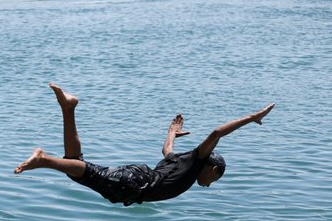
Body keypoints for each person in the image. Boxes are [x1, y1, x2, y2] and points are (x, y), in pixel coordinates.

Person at [15, 83, 275, 206]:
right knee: (86, 171)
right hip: (137, 183)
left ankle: (68, 108)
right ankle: (44, 160)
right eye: (213, 180)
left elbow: (167, 150)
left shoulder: (178, 162)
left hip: (138, 180)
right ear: (214, 169)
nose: (207, 184)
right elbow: (217, 133)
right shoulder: (196, 161)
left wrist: (171, 132)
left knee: (78, 167)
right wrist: (252, 118)